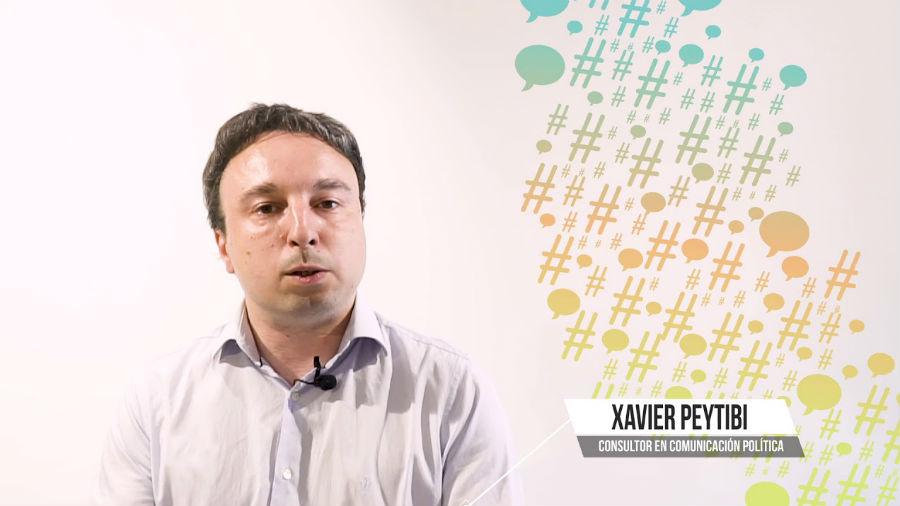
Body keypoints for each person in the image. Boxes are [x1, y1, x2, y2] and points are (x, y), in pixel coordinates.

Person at [92, 103, 523, 505]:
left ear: (360, 220)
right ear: (223, 245)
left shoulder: (450, 392)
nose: (302, 231)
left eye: (327, 203)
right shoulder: (157, 404)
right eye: (267, 208)